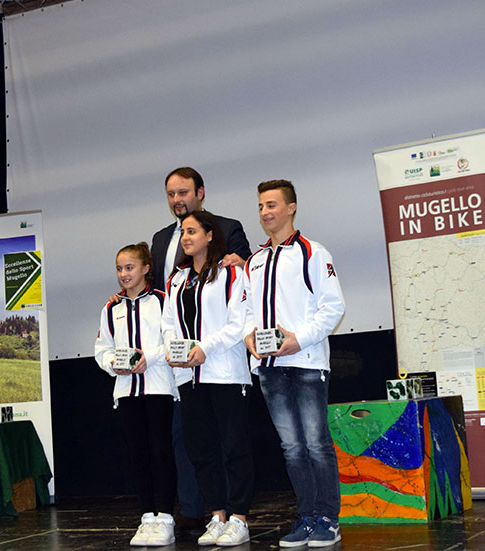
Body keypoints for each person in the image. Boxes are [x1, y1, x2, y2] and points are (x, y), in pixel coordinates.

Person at [243, 180, 346, 548]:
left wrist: (297, 339)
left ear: (291, 207)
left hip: (306, 363)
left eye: (272, 204)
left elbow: (333, 307)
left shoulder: (313, 253)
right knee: (291, 447)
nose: (265, 212)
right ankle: (306, 517)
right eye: (260, 206)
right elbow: (246, 311)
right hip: (269, 369)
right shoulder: (254, 261)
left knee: (317, 444)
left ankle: (328, 519)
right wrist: (250, 337)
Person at [150, 166, 251, 532]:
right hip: (186, 375)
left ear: (210, 235)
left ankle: (238, 517)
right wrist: (173, 349)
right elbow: (166, 318)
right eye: (171, 194)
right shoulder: (176, 277)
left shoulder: (229, 270)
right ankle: (214, 514)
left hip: (223, 370)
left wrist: (205, 347)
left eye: (192, 232)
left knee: (233, 446)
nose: (185, 238)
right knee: (199, 448)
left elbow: (238, 320)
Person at [94, 243, 177, 546]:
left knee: (161, 452)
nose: (124, 274)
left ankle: (165, 517)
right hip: (127, 392)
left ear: (145, 268)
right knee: (137, 454)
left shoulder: (163, 301)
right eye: (119, 268)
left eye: (129, 267)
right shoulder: (111, 308)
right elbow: (102, 349)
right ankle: (147, 517)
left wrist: (149, 358)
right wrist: (113, 364)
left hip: (158, 388)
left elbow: (173, 340)